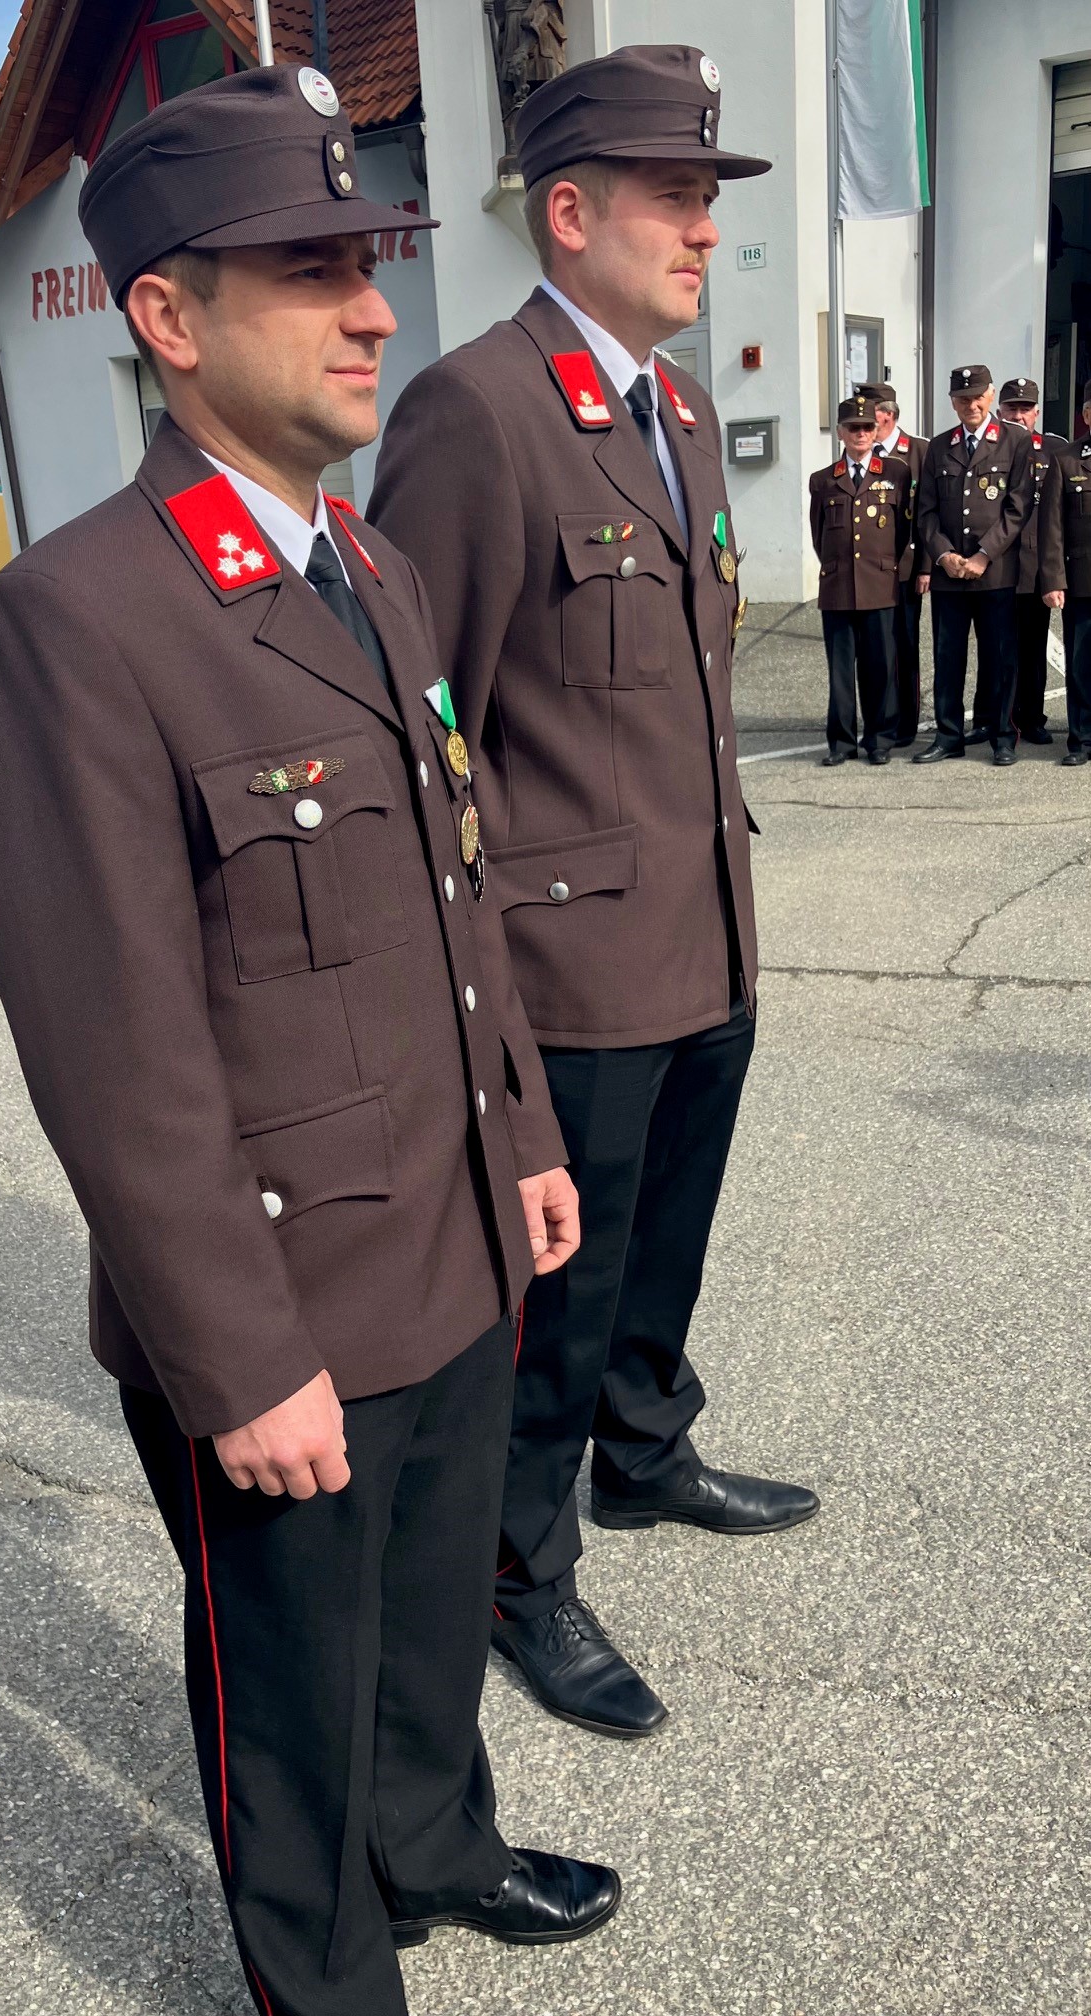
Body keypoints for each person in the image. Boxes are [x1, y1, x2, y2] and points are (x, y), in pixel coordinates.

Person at [0, 65, 622, 2016]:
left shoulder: (376, 571)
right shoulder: (74, 623)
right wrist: (238, 1359)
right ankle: (323, 1977)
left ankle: (442, 1849)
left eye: (370, 264)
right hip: (285, 1297)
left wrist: (524, 1143)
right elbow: (117, 1053)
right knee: (296, 1692)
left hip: (451, 1240)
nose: (372, 311)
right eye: (310, 271)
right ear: (167, 317)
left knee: (421, 1635)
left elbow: (457, 898)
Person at [370, 44, 818, 1746]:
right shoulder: (476, 411)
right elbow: (428, 733)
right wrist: (471, 1002)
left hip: (703, 928)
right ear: (569, 214)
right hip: (569, 967)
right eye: (675, 197)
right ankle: (516, 1566)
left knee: (664, 1245)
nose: (703, 229)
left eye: (709, 198)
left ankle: (640, 1449)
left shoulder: (675, 412)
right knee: (553, 1298)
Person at [913, 364, 1034, 766]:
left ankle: (1002, 736)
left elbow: (1018, 508)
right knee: (948, 658)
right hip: (949, 575)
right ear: (952, 402)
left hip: (995, 572)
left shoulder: (1015, 441)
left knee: (1000, 658)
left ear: (991, 395)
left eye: (978, 397)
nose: (971, 405)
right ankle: (949, 736)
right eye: (962, 399)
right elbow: (926, 512)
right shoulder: (939, 446)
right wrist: (943, 555)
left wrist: (983, 555)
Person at [809, 393, 912, 765]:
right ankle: (841, 743)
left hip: (879, 585)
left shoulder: (896, 473)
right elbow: (819, 535)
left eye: (867, 427)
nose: (861, 434)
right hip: (838, 588)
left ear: (876, 429)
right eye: (853, 427)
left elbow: (903, 532)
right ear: (840, 432)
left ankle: (879, 739)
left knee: (880, 667)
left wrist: (884, 567)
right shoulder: (823, 480)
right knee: (840, 671)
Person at [990, 375, 1065, 745]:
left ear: (1036, 412)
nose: (1018, 415)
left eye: (1025, 409)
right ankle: (994, 718)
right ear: (999, 411)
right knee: (996, 649)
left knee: (1033, 650)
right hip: (995, 565)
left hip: (1035, 566)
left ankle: (1032, 718)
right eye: (1011, 408)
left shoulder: (1056, 450)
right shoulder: (987, 448)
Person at [855, 380, 927, 746]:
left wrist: (926, 566)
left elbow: (928, 514)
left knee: (904, 646)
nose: (862, 424)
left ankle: (905, 723)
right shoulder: (860, 452)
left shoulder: (919, 451)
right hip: (869, 569)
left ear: (886, 415)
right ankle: (879, 719)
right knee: (874, 647)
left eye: (868, 416)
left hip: (906, 566)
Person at [1037, 376, 1091, 765]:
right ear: (1086, 415)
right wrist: (1053, 579)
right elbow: (1051, 527)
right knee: (1082, 664)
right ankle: (1081, 740)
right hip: (1083, 581)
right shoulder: (1066, 459)